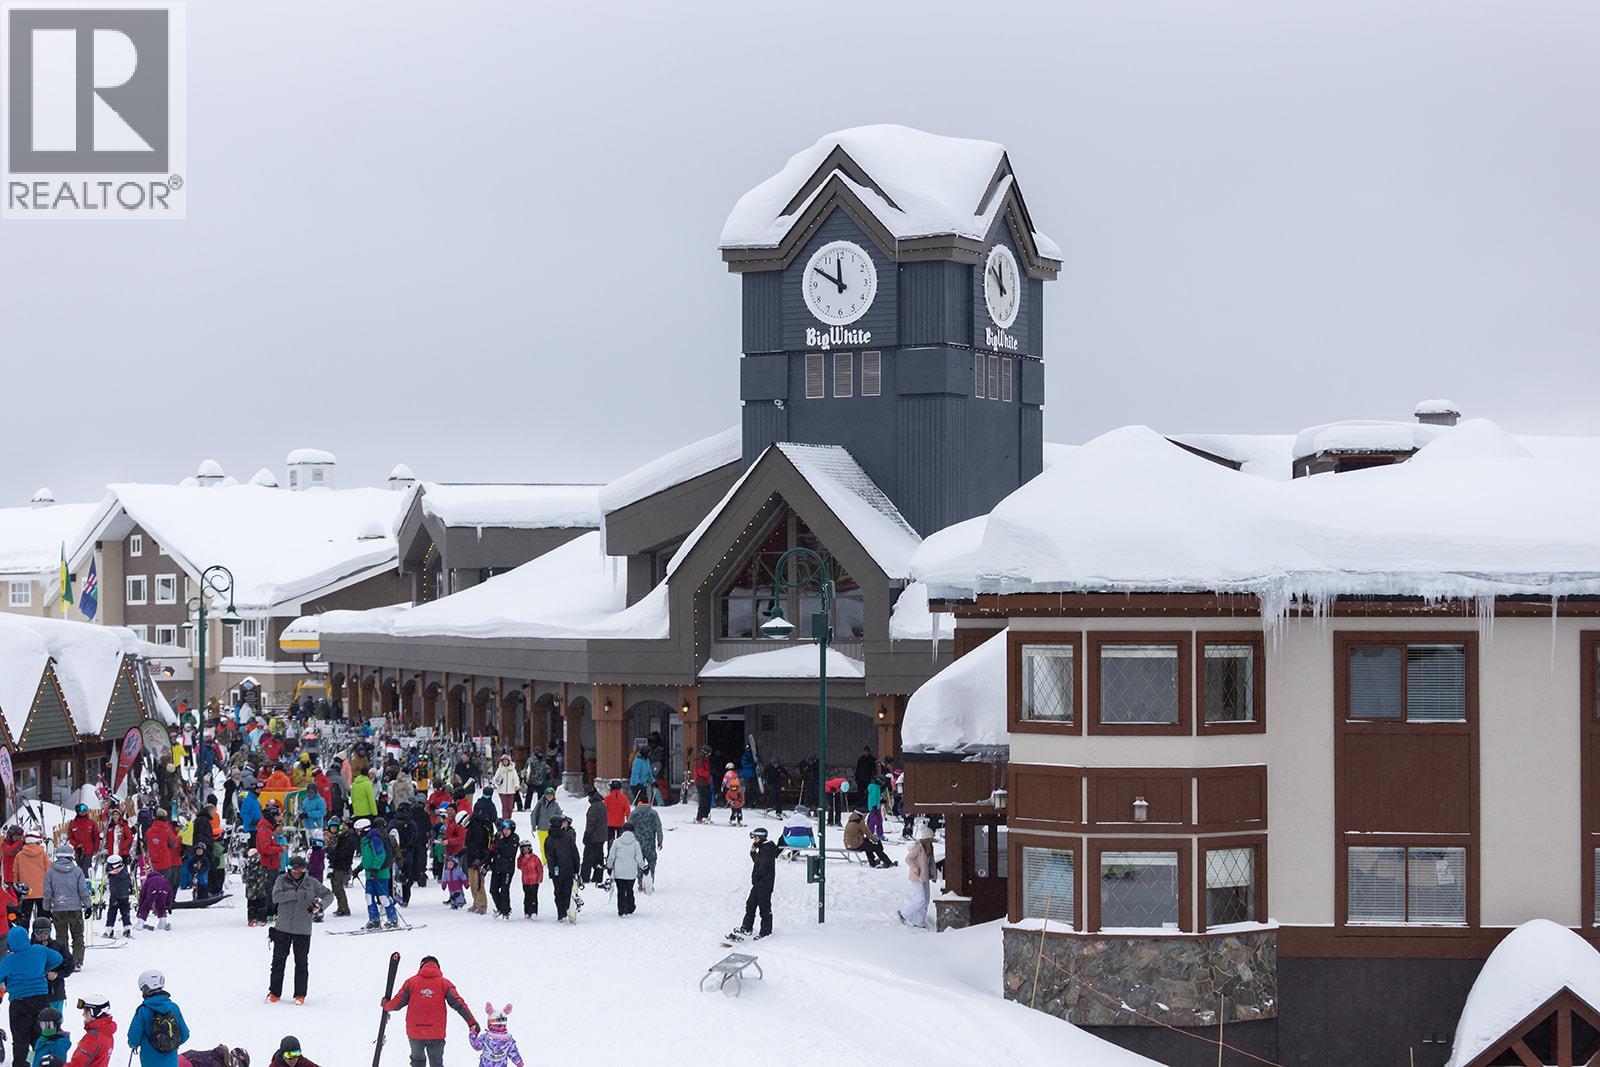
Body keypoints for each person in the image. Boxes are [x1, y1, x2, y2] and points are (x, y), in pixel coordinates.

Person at [380, 955, 478, 1067]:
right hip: (436, 1033)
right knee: (436, 1064)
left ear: (421, 966)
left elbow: (397, 1003)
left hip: (415, 1032)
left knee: (417, 1062)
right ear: (438, 967)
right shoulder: (445, 984)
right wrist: (472, 1022)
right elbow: (459, 1005)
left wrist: (386, 1005)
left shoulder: (411, 983)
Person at [267, 854, 333, 1004]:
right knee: (278, 962)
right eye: (294, 870)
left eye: (300, 870)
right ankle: (274, 992)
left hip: (303, 930)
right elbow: (276, 897)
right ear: (289, 869)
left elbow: (329, 895)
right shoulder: (281, 880)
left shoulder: (311, 883)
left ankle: (300, 994)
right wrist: (296, 894)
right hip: (282, 928)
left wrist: (320, 906)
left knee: (301, 963)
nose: (297, 873)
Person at [728, 827, 781, 941]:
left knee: (764, 907)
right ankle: (746, 927)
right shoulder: (763, 848)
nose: (754, 840)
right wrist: (753, 852)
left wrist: (754, 854)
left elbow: (762, 865)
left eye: (755, 838)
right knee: (750, 904)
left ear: (761, 837)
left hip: (765, 884)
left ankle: (766, 931)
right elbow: (758, 862)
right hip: (758, 883)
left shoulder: (767, 848)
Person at [128, 970, 188, 1067]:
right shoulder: (173, 1008)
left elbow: (133, 1039)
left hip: (150, 1062)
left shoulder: (143, 1011)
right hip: (171, 1063)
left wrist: (134, 1045)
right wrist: (170, 1044)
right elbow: (185, 1034)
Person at [43, 845, 90, 966]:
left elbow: (48, 893)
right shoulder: (77, 871)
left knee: (61, 937)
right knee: (78, 936)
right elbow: (83, 890)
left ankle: (64, 961)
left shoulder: (50, 872)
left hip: (59, 909)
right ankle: (77, 961)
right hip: (75, 909)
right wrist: (88, 906)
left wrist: (46, 909)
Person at [355, 818, 399, 930]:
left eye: (358, 830)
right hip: (370, 874)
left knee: (383, 897)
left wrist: (375, 868)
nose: (357, 833)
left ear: (364, 829)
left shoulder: (375, 839)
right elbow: (367, 858)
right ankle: (374, 920)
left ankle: (393, 920)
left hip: (381, 873)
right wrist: (359, 868)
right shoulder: (365, 840)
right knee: (369, 897)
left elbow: (380, 855)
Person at [34, 915, 76, 1014]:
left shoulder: (58, 946)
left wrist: (57, 974)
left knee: (55, 1019)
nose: (42, 935)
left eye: (45, 932)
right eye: (39, 932)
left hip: (55, 992)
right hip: (35, 994)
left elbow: (70, 965)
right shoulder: (29, 948)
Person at [898, 824, 937, 928]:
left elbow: (931, 863)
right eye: (931, 838)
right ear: (927, 839)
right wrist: (915, 868)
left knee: (926, 900)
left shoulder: (930, 848)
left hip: (925, 876)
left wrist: (934, 875)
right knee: (921, 899)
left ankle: (919, 922)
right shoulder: (918, 848)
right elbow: (908, 859)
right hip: (916, 876)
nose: (933, 840)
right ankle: (904, 913)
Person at [545, 815, 580, 924]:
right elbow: (574, 853)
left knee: (558, 891)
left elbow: (549, 856)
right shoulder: (567, 837)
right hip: (568, 868)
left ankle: (561, 913)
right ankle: (566, 908)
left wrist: (552, 869)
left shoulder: (548, 839)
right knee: (567, 891)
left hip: (556, 869)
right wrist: (576, 868)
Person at [65, 992, 116, 1067]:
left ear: (94, 1013)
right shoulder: (106, 1031)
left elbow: (76, 1064)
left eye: (86, 1012)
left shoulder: (93, 1038)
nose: (83, 1014)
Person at [605, 821, 645, 917]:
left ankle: (621, 909)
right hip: (631, 872)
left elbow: (611, 856)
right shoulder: (635, 843)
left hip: (619, 872)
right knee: (629, 890)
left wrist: (609, 867)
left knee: (621, 891)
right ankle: (630, 907)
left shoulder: (617, 842)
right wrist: (644, 867)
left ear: (623, 830)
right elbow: (639, 858)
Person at [462, 810, 492, 915]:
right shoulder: (472, 828)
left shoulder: (476, 827)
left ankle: (482, 905)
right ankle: (476, 903)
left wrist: (478, 858)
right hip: (472, 859)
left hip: (478, 861)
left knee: (478, 883)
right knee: (473, 883)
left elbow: (478, 845)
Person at [487, 820, 518, 919]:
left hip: (507, 869)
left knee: (504, 890)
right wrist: (486, 864)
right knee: (493, 890)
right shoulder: (498, 837)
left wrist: (500, 843)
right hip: (496, 868)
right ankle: (501, 908)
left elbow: (508, 852)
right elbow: (492, 851)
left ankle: (506, 912)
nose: (506, 832)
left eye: (508, 829)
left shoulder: (514, 838)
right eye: (504, 829)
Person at [324, 818, 355, 917]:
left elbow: (342, 853)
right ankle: (341, 907)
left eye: (335, 828)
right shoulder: (336, 837)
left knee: (338, 887)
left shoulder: (345, 838)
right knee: (335, 887)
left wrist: (332, 852)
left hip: (341, 866)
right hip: (335, 864)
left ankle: (344, 908)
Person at [15, 832, 47, 928]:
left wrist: (17, 885)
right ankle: (41, 935)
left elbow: (15, 872)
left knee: (25, 918)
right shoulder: (42, 854)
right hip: (41, 891)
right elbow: (49, 870)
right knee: (42, 918)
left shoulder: (19, 855)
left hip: (26, 891)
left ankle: (24, 935)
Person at [629, 796, 663, 886]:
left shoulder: (633, 813)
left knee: (640, 863)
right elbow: (658, 828)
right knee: (652, 862)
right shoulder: (653, 813)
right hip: (650, 844)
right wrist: (660, 841)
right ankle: (650, 881)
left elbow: (628, 829)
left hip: (637, 844)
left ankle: (641, 883)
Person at [580, 790, 606, 886]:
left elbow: (591, 823)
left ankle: (585, 877)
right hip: (602, 837)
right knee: (599, 858)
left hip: (593, 838)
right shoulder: (603, 806)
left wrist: (587, 834)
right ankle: (598, 877)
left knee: (587, 858)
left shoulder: (594, 807)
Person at [103, 857, 133, 940]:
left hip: (115, 897)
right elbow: (129, 884)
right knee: (125, 913)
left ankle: (109, 929)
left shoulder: (113, 875)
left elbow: (114, 888)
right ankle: (127, 928)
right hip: (125, 896)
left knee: (112, 913)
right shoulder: (125, 873)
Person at [528, 787, 561, 862]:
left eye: (551, 795)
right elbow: (533, 814)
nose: (549, 797)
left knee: (553, 846)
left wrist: (559, 827)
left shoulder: (556, 805)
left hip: (552, 830)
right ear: (545, 795)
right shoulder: (540, 804)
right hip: (541, 829)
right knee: (543, 846)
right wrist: (533, 826)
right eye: (548, 795)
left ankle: (552, 861)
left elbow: (560, 816)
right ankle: (545, 861)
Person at [137, 866, 173, 932]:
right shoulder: (164, 880)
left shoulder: (148, 880)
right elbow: (170, 893)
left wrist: (140, 906)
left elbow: (143, 894)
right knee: (161, 905)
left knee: (146, 906)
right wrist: (168, 905)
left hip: (152, 890)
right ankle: (162, 923)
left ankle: (140, 923)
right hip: (163, 889)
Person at [64, 806, 98, 876]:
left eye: (85, 810)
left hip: (89, 851)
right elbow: (70, 838)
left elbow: (96, 837)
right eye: (81, 810)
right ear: (77, 811)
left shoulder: (92, 823)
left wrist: (96, 849)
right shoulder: (73, 824)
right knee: (79, 869)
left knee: (86, 869)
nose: (83, 812)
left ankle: (87, 881)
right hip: (78, 851)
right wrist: (76, 845)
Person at [515, 841, 542, 920]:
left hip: (534, 881)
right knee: (527, 897)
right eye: (524, 849)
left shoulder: (535, 858)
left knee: (534, 897)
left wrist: (540, 878)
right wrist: (524, 859)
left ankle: (534, 912)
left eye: (528, 849)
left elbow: (540, 868)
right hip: (526, 881)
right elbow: (519, 866)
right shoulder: (520, 858)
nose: (526, 851)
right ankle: (527, 911)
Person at [490, 756, 521, 821]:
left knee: (510, 807)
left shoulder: (512, 770)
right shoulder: (500, 769)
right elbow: (495, 778)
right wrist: (497, 782)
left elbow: (516, 778)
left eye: (506, 761)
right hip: (502, 791)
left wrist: (516, 785)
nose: (505, 762)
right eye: (504, 761)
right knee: (505, 806)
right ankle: (505, 819)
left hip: (511, 791)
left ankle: (509, 819)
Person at [692, 748, 712, 824]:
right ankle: (700, 816)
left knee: (707, 799)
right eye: (708, 753)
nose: (708, 755)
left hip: (705, 782)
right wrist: (708, 774)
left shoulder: (705, 759)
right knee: (703, 799)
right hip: (700, 782)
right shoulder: (699, 759)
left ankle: (705, 816)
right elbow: (700, 771)